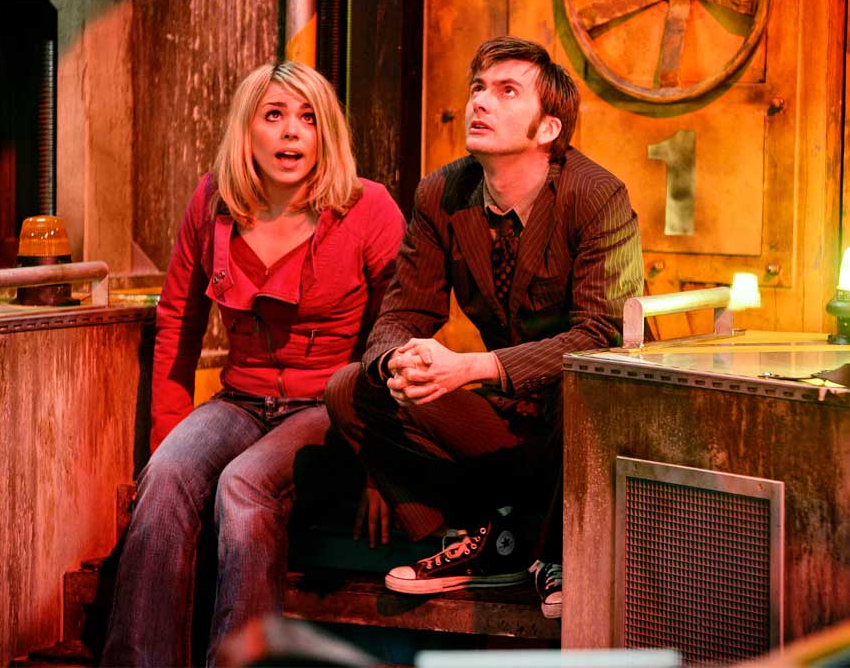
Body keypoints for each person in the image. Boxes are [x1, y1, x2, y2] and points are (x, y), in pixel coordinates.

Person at [325, 36, 643, 617]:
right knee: (352, 388)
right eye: (478, 87)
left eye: (506, 91)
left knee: (583, 384)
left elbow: (603, 336)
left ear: (548, 128)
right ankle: (481, 539)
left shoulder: (597, 196)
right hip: (507, 420)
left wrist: (474, 367)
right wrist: (399, 360)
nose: (480, 101)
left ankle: (548, 548)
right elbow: (403, 314)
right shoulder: (441, 193)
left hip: (583, 422)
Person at [102, 61, 406, 666]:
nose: (292, 131)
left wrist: (384, 469)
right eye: (274, 115)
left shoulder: (367, 208)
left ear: (326, 133)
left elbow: (399, 338)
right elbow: (178, 321)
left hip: (330, 410)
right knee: (165, 478)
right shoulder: (213, 200)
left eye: (308, 118)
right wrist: (168, 441)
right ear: (247, 130)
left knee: (243, 485)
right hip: (240, 401)